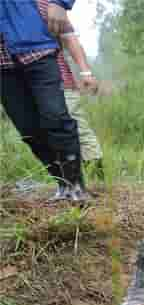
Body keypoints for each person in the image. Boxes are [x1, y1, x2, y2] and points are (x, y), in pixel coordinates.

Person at [0, 0, 89, 201]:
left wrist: (60, 2)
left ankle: (75, 185)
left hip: (35, 49)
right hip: (3, 66)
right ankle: (62, 183)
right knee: (28, 130)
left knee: (56, 118)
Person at [57, 16, 105, 180]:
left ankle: (97, 180)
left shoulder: (49, 5)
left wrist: (86, 73)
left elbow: (70, 38)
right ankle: (66, 180)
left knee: (79, 128)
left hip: (61, 82)